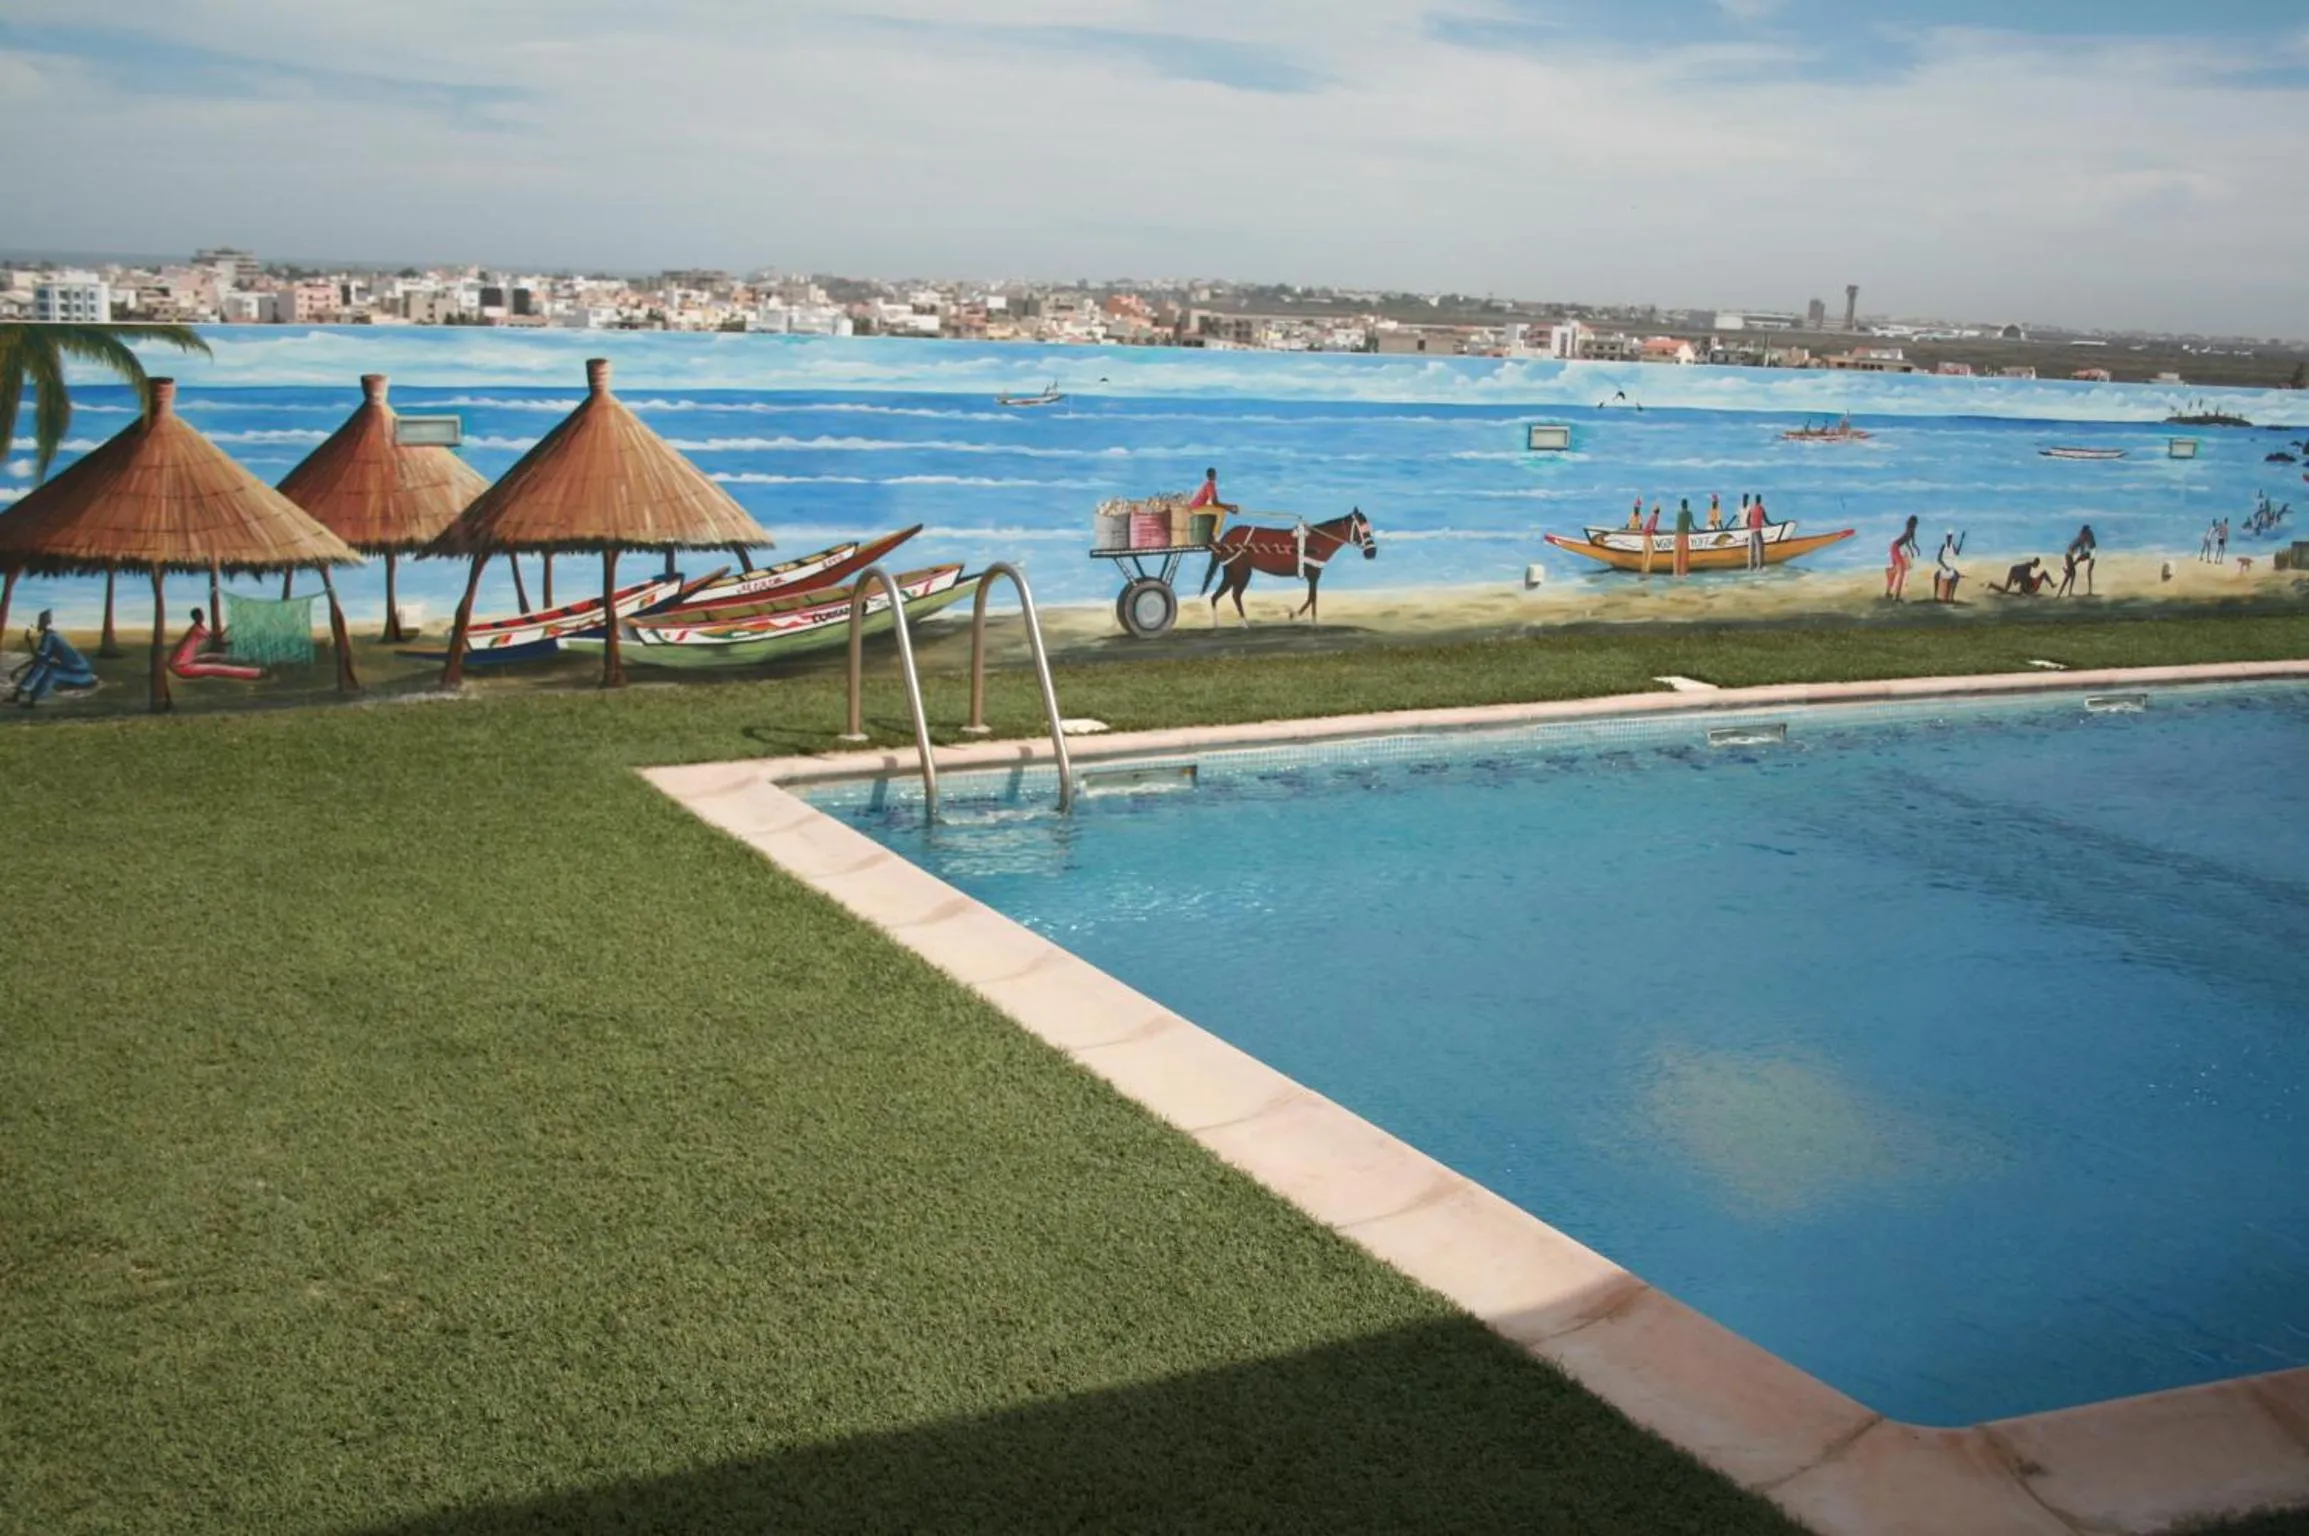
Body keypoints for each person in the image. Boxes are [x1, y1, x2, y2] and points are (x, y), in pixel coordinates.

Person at [9, 610, 99, 706]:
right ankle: (19, 694)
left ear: (46, 623)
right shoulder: (50, 635)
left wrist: (30, 642)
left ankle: (32, 700)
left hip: (79, 670)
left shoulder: (50, 636)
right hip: (73, 667)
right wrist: (18, 669)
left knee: (50, 672)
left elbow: (39, 656)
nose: (38, 624)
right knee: (42, 666)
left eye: (41, 621)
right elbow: (39, 659)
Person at [169, 608, 266, 682]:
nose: (201, 617)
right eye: (199, 615)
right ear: (195, 617)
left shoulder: (198, 628)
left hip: (184, 662)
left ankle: (248, 661)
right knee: (215, 668)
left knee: (213, 656)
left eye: (202, 615)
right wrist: (227, 634)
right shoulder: (196, 629)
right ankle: (256, 673)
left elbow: (215, 637)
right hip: (182, 666)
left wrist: (226, 638)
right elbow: (215, 638)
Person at [1885, 515, 1921, 599]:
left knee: (1898, 570)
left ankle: (1889, 592)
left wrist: (1915, 550)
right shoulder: (1909, 531)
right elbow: (1908, 543)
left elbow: (1911, 543)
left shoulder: (1911, 531)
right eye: (1915, 523)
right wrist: (1913, 551)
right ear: (1913, 523)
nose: (1916, 525)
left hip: (1895, 547)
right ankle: (1897, 595)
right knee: (1901, 571)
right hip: (1895, 548)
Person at [2057, 524, 2097, 596]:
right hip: (2069, 556)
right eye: (2087, 534)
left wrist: (2084, 556)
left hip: (2069, 556)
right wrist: (2086, 555)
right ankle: (2059, 594)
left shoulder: (2082, 538)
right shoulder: (2081, 539)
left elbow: (2079, 550)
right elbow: (2080, 550)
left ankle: (2068, 593)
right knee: (2068, 576)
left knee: (2073, 574)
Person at [1989, 557, 2054, 595]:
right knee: (2006, 590)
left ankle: (1992, 585)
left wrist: (2017, 580)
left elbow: (2022, 576)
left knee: (2005, 590)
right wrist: (2018, 582)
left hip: (2014, 572)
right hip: (2014, 572)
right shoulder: (2028, 566)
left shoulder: (2028, 567)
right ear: (2035, 563)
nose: (2037, 566)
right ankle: (1992, 585)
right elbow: (2023, 577)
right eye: (2037, 565)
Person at [1933, 531, 1967, 602]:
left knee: (1957, 576)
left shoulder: (1953, 546)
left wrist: (1962, 539)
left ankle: (1951, 597)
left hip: (1951, 569)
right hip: (1944, 568)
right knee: (1936, 576)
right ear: (1946, 537)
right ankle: (1935, 596)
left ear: (1951, 538)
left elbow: (1957, 553)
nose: (1949, 538)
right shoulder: (1943, 546)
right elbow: (1939, 559)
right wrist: (1945, 567)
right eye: (1948, 537)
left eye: (1950, 537)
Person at [1673, 497, 1695, 578]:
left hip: (1679, 535)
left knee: (1677, 555)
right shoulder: (1690, 514)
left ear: (1681, 505)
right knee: (1684, 556)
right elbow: (1693, 525)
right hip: (1685, 535)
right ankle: (1683, 573)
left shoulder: (1679, 513)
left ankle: (1676, 573)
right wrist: (1698, 530)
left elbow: (1678, 526)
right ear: (1687, 505)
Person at [1746, 494, 1768, 571]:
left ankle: (1750, 567)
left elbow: (1747, 520)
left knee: (1751, 549)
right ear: (1760, 500)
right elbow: (1766, 520)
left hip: (1752, 531)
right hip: (1758, 531)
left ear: (1755, 500)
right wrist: (1773, 525)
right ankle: (1759, 567)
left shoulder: (1751, 508)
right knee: (1760, 549)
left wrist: (1750, 527)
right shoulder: (1761, 508)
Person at [1640, 501, 1661, 579]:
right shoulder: (1655, 517)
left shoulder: (1652, 516)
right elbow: (1652, 528)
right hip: (1648, 536)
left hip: (1645, 535)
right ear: (1658, 511)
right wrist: (1657, 532)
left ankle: (1643, 572)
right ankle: (1647, 572)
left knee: (1645, 554)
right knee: (1651, 552)